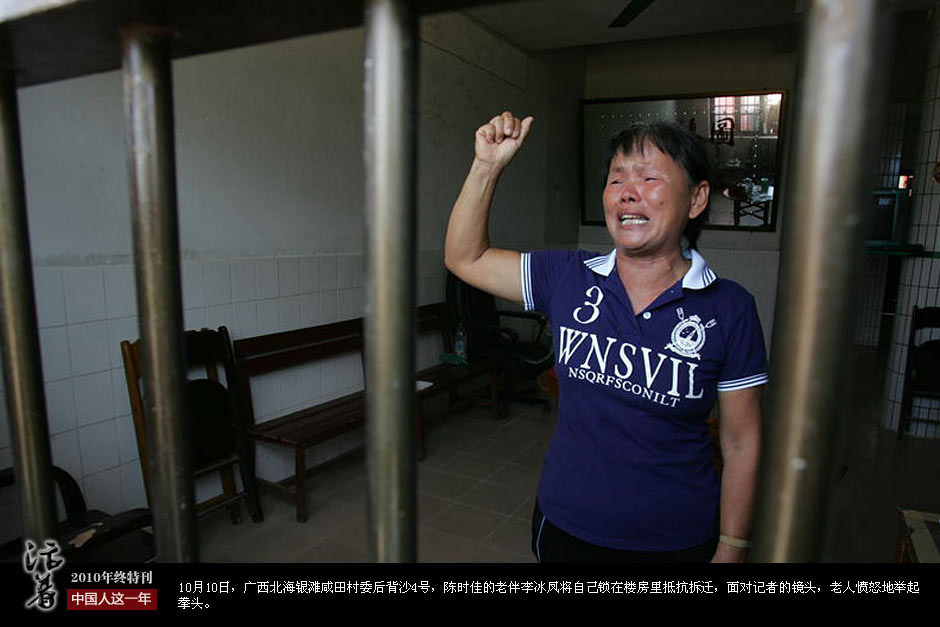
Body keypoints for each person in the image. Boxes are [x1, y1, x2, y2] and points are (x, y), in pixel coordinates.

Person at [444, 111, 766, 563]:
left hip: (677, 537)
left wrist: (732, 546)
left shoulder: (729, 308)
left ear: (696, 199)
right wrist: (486, 166)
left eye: (649, 177)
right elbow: (466, 258)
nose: (628, 192)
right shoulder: (568, 276)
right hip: (568, 524)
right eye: (617, 180)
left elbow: (741, 442)